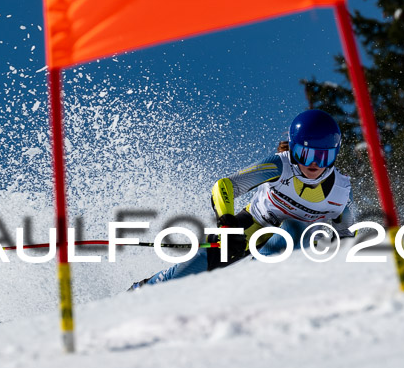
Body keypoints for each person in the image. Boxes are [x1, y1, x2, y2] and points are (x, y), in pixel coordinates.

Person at [130, 109, 356, 290]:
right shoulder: (280, 165)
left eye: (323, 156)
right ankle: (140, 292)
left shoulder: (341, 190)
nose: (314, 164)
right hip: (254, 225)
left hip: (297, 240)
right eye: (305, 154)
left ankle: (252, 291)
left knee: (293, 230)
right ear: (294, 148)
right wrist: (227, 224)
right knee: (192, 266)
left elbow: (345, 234)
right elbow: (225, 186)